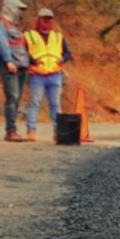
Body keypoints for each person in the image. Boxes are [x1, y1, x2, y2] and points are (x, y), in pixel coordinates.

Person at [24, 8, 72, 141]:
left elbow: (68, 53)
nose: (47, 21)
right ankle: (31, 131)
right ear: (38, 19)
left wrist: (62, 59)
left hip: (55, 74)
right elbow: (22, 52)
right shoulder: (29, 35)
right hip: (37, 74)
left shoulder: (57, 36)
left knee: (55, 104)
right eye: (44, 18)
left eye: (49, 18)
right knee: (35, 103)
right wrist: (32, 61)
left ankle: (58, 132)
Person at [0, 0, 30, 142]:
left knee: (16, 99)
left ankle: (12, 130)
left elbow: (21, 47)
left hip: (21, 67)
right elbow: (3, 44)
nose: (21, 12)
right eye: (19, 9)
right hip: (10, 66)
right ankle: (10, 132)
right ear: (10, 8)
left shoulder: (15, 26)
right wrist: (9, 61)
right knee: (12, 98)